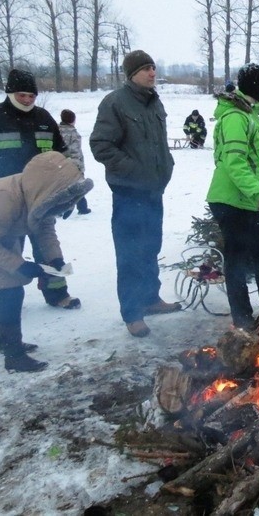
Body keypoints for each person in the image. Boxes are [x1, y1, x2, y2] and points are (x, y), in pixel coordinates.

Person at [0, 152, 93, 372]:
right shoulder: (5, 198)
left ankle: (7, 342)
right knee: (11, 289)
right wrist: (19, 265)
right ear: (47, 188)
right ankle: (13, 356)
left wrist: (55, 259)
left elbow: (45, 228)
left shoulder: (38, 194)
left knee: (10, 288)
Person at [0, 68, 80, 310]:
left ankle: (57, 293)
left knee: (47, 247)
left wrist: (68, 194)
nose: (27, 100)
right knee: (7, 253)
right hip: (5, 201)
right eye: (21, 95)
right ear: (10, 93)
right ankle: (9, 301)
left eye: (31, 96)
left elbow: (63, 159)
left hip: (42, 198)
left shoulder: (44, 120)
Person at [90, 50, 181, 338]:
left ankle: (151, 298)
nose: (152, 73)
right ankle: (132, 312)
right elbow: (101, 145)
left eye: (153, 67)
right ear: (131, 75)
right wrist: (132, 169)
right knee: (130, 253)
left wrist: (166, 164)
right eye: (145, 69)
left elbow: (157, 143)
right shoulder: (115, 103)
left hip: (154, 191)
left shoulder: (154, 102)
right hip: (129, 192)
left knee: (151, 247)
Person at [206, 62, 259, 330]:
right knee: (237, 258)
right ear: (257, 87)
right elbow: (235, 162)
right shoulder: (235, 118)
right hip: (230, 199)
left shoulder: (251, 115)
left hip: (248, 198)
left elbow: (257, 162)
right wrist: (257, 193)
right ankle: (242, 317)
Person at [59, 109, 91, 215]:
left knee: (60, 187)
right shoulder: (73, 133)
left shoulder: (56, 130)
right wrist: (78, 168)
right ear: (73, 120)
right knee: (79, 186)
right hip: (72, 164)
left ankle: (58, 209)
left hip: (58, 164)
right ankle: (82, 208)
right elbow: (75, 152)